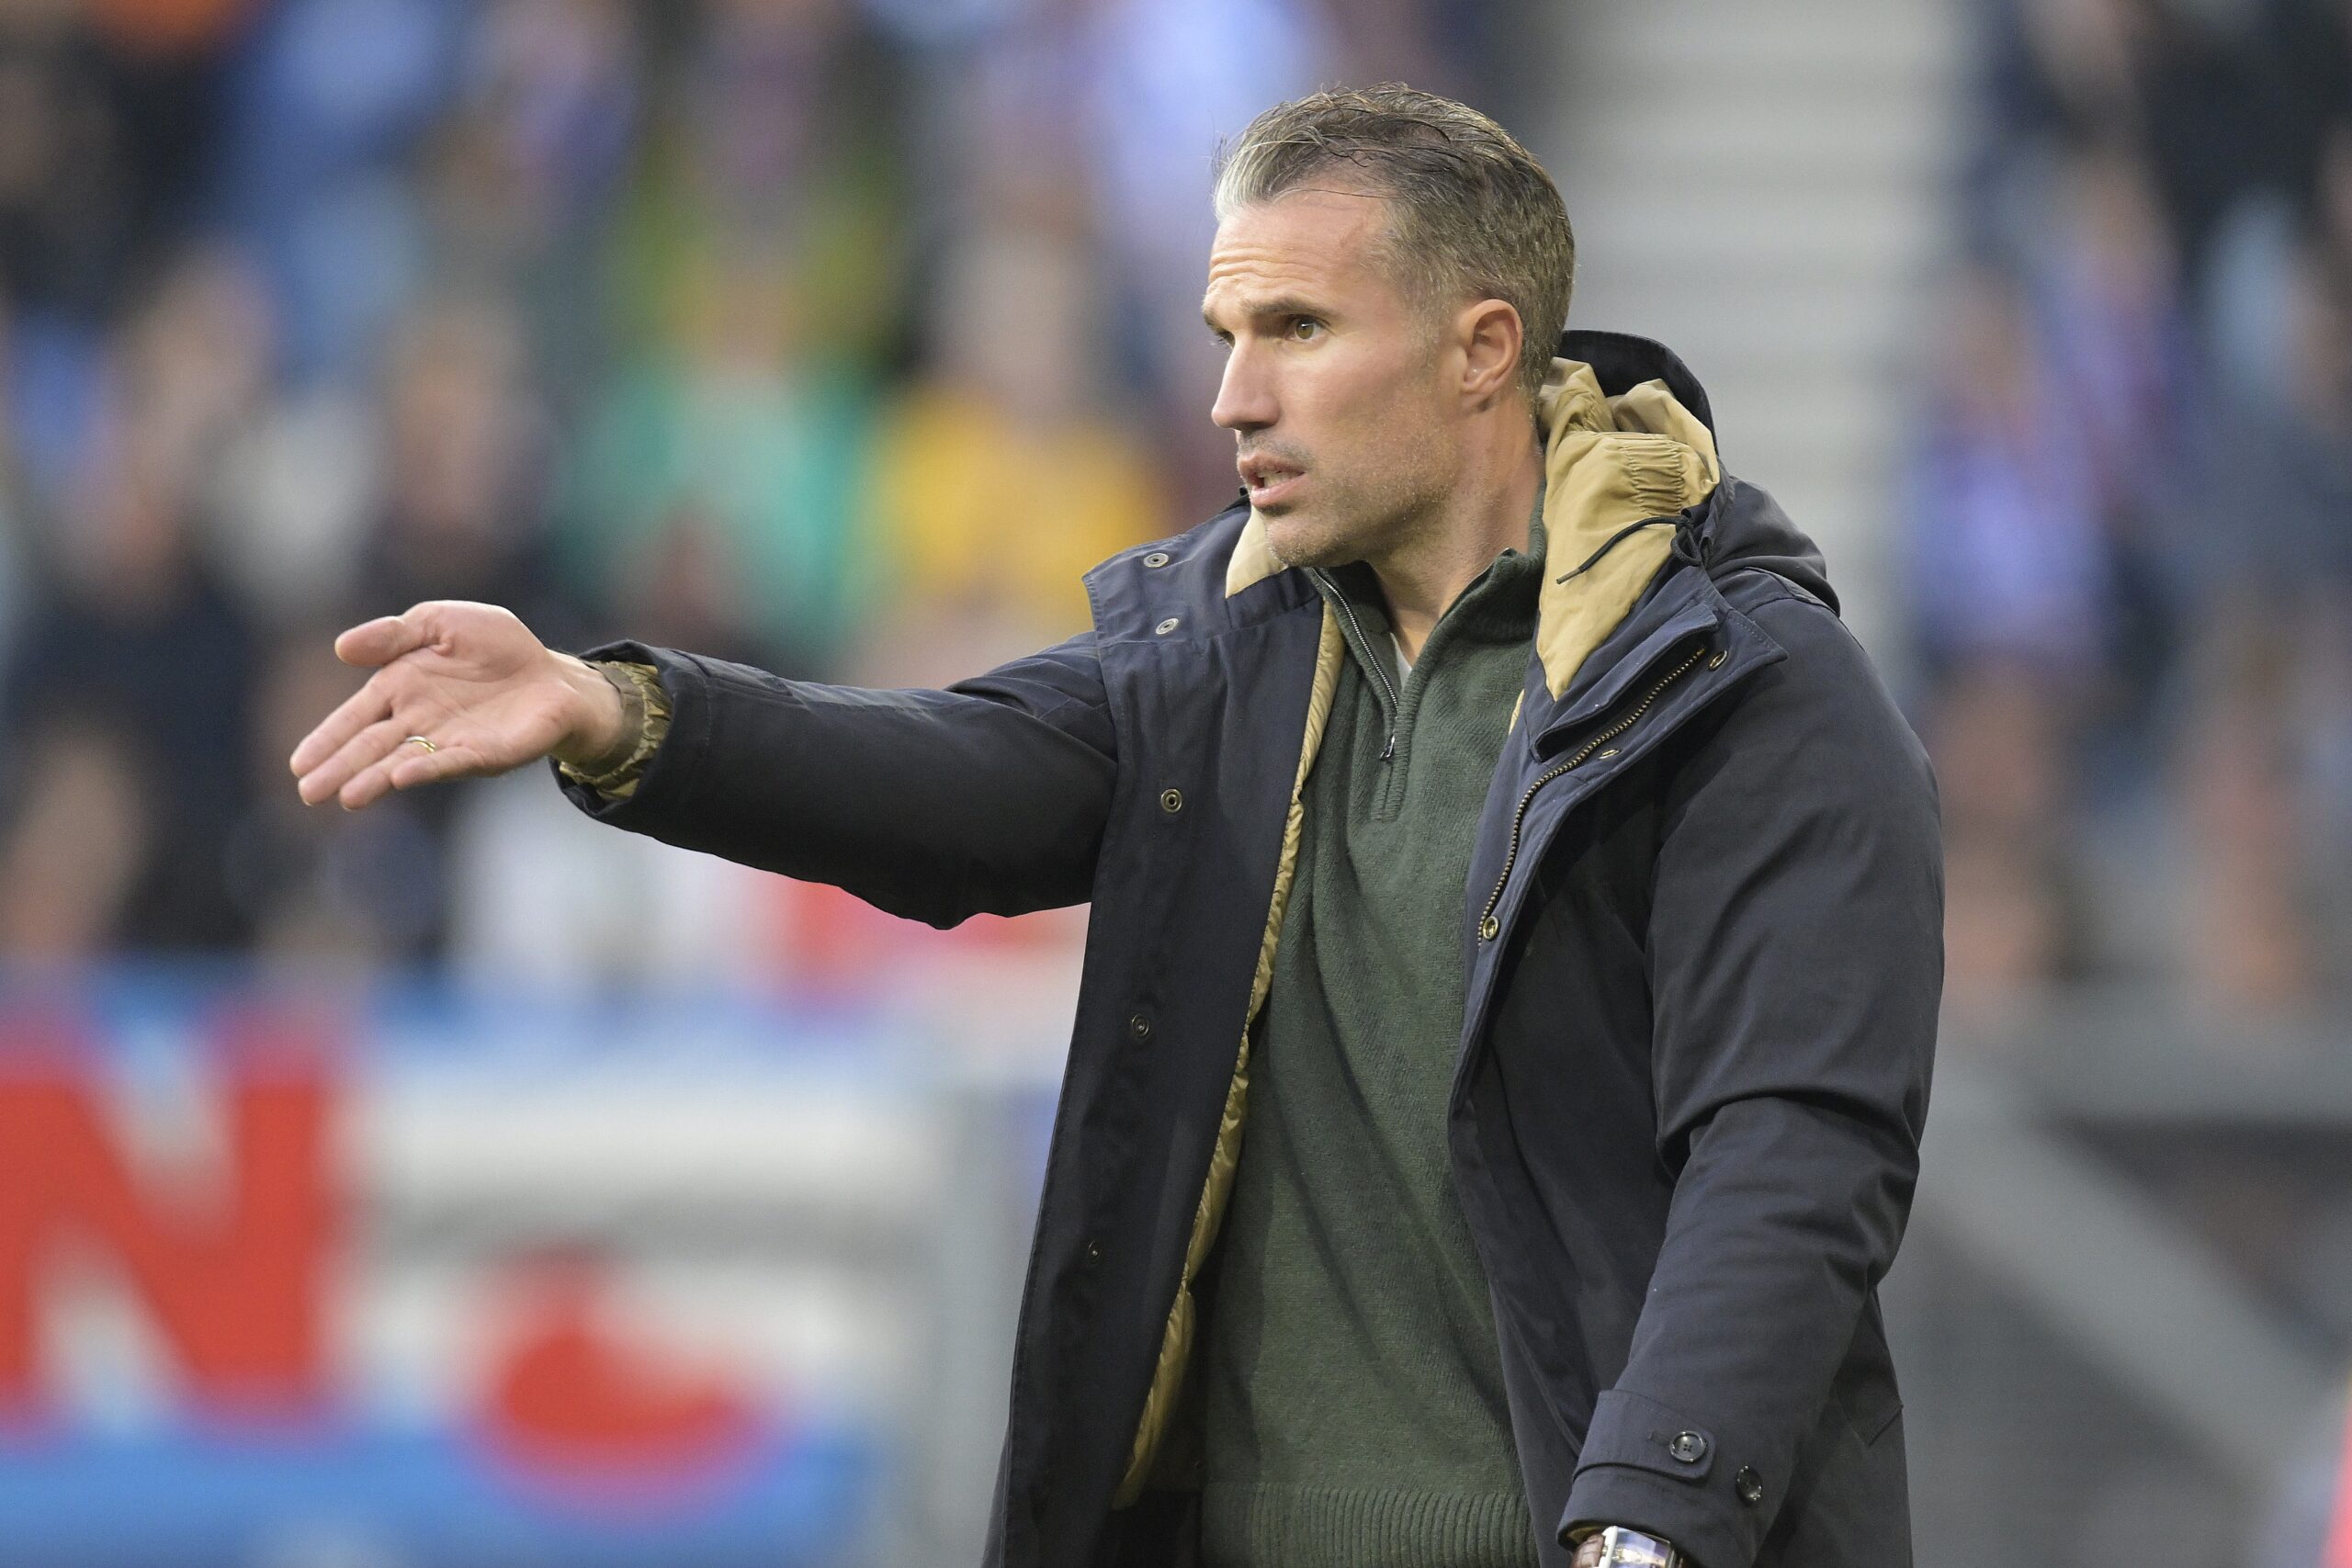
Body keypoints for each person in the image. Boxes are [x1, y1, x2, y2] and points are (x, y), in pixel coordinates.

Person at [289, 86, 1942, 1568]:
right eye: (1223, 330)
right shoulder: (1222, 648)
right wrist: (621, 709)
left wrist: (1648, 1524)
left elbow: (1788, 1155)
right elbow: (953, 779)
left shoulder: (1743, 686)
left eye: (1295, 327)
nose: (1232, 397)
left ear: (1483, 350)